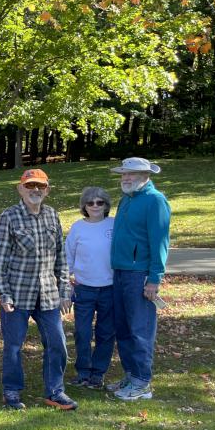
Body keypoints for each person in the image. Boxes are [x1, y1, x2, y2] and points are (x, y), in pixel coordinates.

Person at [0, 168, 77, 411]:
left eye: (40, 186)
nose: (35, 190)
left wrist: (64, 291)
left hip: (48, 294)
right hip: (18, 295)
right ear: (20, 189)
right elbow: (0, 260)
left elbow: (61, 256)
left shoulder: (52, 216)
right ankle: (11, 391)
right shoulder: (9, 217)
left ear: (47, 189)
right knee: (13, 346)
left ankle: (55, 391)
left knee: (57, 343)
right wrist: (4, 293)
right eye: (29, 186)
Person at [108, 157, 171, 401]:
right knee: (122, 328)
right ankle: (131, 375)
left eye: (131, 174)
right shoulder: (126, 199)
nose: (126, 178)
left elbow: (160, 243)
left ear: (145, 176)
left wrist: (154, 279)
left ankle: (143, 382)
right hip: (120, 272)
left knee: (140, 329)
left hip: (140, 274)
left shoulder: (155, 201)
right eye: (123, 174)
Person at [63, 186, 116, 389]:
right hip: (83, 288)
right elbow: (67, 257)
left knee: (106, 333)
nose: (95, 206)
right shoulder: (78, 228)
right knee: (82, 332)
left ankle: (98, 374)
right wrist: (65, 283)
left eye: (99, 202)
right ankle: (83, 372)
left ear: (106, 205)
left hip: (109, 289)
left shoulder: (115, 224)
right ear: (84, 206)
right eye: (90, 203)